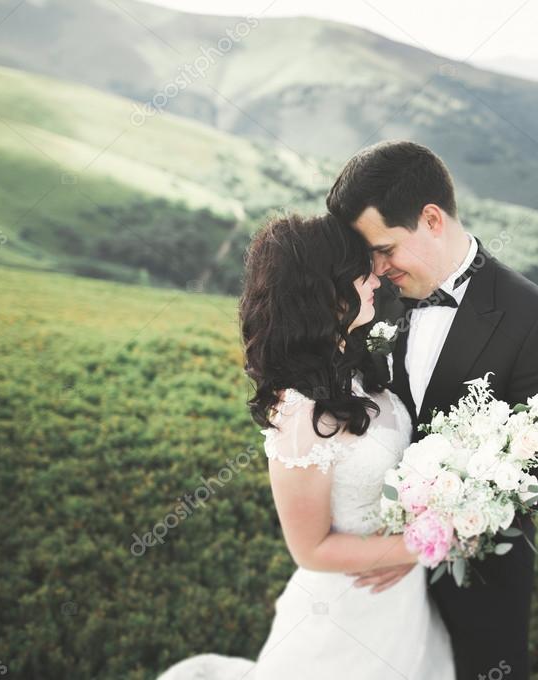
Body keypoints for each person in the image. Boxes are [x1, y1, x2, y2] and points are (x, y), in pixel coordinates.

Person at [156, 213, 454, 679]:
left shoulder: (351, 365)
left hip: (402, 600)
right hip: (346, 615)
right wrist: (420, 548)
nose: (375, 276)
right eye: (360, 270)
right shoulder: (299, 414)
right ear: (325, 292)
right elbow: (310, 549)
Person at [326, 140, 538, 680]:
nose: (377, 268)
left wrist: (416, 544)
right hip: (370, 582)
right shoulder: (373, 297)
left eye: (386, 249)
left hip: (477, 580)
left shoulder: (533, 318)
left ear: (432, 218)